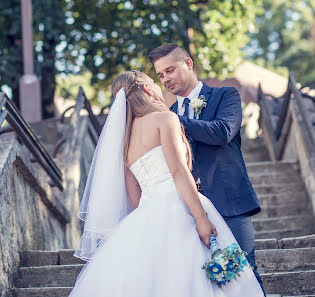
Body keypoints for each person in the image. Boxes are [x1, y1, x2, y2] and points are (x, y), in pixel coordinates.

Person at [68, 70, 264, 297]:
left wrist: (146, 223)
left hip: (146, 213)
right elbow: (179, 172)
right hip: (179, 204)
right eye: (154, 82)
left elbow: (134, 193)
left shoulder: (123, 140)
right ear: (147, 89)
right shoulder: (165, 119)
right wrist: (201, 218)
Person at [149, 43, 264, 292]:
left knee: (244, 275)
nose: (166, 79)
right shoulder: (167, 113)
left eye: (170, 70)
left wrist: (174, 121)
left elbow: (223, 132)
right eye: (160, 75)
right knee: (205, 284)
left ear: (188, 63)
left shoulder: (225, 96)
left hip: (229, 202)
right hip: (188, 210)